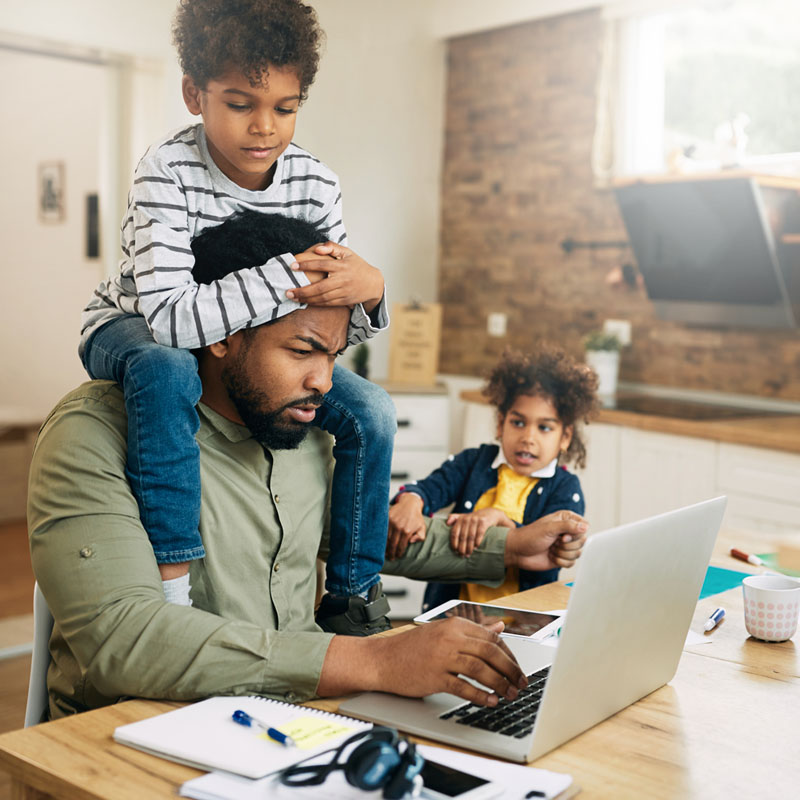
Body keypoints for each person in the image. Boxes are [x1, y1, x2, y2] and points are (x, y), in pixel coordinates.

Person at [28, 212, 589, 721]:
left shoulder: (306, 425)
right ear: (221, 333)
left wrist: (510, 550)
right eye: (301, 351)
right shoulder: (94, 434)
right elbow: (125, 641)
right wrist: (374, 660)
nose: (323, 381)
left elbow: (355, 535)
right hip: (136, 735)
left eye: (334, 356)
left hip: (301, 719)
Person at [78, 0, 396, 634]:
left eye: (285, 106)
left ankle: (354, 594)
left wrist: (369, 292)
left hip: (234, 339)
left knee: (373, 412)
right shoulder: (165, 173)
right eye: (240, 103)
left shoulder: (315, 183)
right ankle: (173, 585)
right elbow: (170, 318)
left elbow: (324, 328)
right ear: (195, 94)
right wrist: (289, 275)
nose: (265, 127)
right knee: (168, 373)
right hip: (131, 321)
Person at [386, 348, 598, 612]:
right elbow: (429, 488)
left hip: (521, 624)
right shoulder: (473, 462)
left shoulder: (566, 489)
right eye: (518, 422)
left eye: (544, 427)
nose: (528, 437)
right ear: (500, 424)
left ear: (565, 437)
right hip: (455, 615)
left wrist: (499, 519)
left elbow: (546, 549)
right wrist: (411, 499)